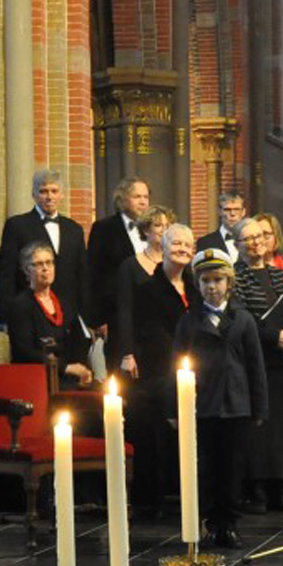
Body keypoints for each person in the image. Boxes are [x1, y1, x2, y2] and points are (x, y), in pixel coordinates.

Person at [173, 250, 268, 549]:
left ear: (229, 282)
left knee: (233, 467)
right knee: (208, 468)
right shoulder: (189, 321)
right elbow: (176, 365)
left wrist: (259, 406)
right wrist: (174, 407)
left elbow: (255, 366)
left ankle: (230, 523)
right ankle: (211, 522)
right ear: (197, 284)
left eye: (217, 280)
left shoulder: (242, 319)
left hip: (235, 404)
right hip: (203, 404)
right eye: (205, 281)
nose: (212, 287)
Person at [122, 223, 196, 521]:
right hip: (157, 371)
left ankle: (187, 497)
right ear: (162, 249)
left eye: (187, 245)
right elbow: (149, 331)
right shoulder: (147, 289)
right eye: (176, 244)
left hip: (192, 372)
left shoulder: (195, 286)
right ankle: (151, 502)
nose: (182, 249)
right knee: (154, 437)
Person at [235, 217, 283, 511]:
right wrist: (273, 335)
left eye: (261, 236)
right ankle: (257, 488)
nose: (256, 242)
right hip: (255, 361)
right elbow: (242, 316)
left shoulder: (282, 276)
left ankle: (282, 487)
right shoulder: (235, 277)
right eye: (248, 238)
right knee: (257, 429)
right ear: (237, 245)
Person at [0, 169, 87, 332]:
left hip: (69, 316)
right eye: (43, 191)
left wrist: (88, 317)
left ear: (61, 195)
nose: (49, 197)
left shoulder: (74, 229)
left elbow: (82, 274)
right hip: (29, 314)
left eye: (54, 191)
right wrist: (5, 318)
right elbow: (6, 274)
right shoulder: (17, 226)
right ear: (34, 194)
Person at [2, 242, 94, 387]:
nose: (46, 268)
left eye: (49, 263)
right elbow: (24, 351)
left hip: (67, 378)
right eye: (38, 264)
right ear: (27, 270)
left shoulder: (64, 303)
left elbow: (77, 340)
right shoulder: (20, 305)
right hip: (36, 379)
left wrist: (82, 369)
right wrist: (66, 368)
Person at [110, 208, 174, 375]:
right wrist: (127, 354)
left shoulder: (176, 264)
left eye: (167, 225)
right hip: (140, 346)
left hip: (171, 346)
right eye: (158, 225)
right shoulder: (129, 267)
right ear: (146, 229)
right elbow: (125, 312)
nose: (164, 230)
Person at [86, 176, 149, 331]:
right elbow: (94, 275)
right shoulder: (104, 228)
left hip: (149, 314)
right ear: (122, 199)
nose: (143, 202)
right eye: (137, 197)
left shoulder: (154, 228)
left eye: (146, 197)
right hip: (116, 313)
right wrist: (99, 318)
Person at [196, 192, 251, 262]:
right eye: (227, 210)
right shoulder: (205, 242)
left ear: (243, 212)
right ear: (219, 211)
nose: (232, 214)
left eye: (236, 209)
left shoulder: (252, 241)